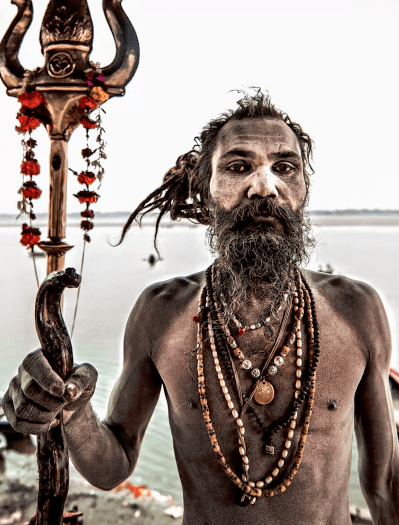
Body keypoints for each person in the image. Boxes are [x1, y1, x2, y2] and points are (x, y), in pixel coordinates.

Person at [3, 91, 399, 524]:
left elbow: (385, 486)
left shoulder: (356, 309)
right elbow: (111, 464)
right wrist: (71, 411)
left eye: (285, 167)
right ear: (205, 192)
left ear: (303, 192)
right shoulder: (161, 312)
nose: (264, 186)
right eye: (238, 166)